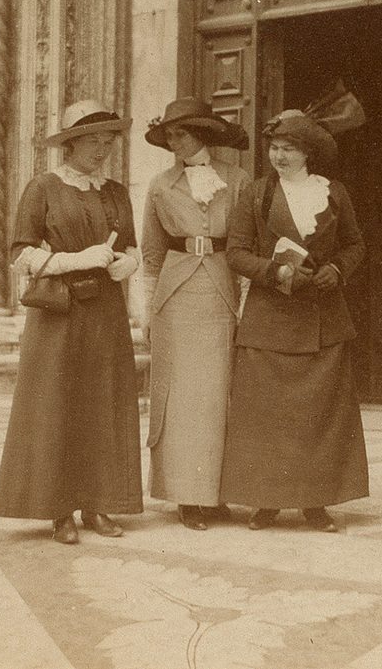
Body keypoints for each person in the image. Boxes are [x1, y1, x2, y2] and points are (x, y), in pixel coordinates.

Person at [0, 100, 143, 544]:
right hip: (60, 312)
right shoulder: (43, 187)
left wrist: (128, 263)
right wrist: (77, 259)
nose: (101, 149)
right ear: (70, 144)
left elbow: (130, 245)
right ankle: (59, 511)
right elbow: (20, 253)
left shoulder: (116, 191)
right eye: (92, 140)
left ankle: (98, 504)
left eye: (108, 140)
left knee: (102, 402)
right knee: (57, 404)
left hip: (105, 311)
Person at [220, 109, 368, 533]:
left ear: (308, 153)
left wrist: (337, 269)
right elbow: (236, 252)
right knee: (267, 417)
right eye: (274, 148)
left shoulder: (333, 193)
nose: (279, 156)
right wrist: (276, 271)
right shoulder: (256, 193)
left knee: (320, 416)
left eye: (288, 149)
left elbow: (355, 245)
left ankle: (316, 503)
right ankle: (266, 502)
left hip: (323, 320)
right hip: (270, 320)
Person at [141, 97, 250, 531]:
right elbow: (151, 253)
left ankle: (214, 494)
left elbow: (246, 244)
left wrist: (244, 300)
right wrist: (146, 309)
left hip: (221, 289)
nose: (174, 142)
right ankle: (186, 495)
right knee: (181, 395)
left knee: (216, 394)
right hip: (176, 294)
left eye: (181, 134)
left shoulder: (236, 180)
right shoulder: (159, 185)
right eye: (168, 136)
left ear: (202, 133)